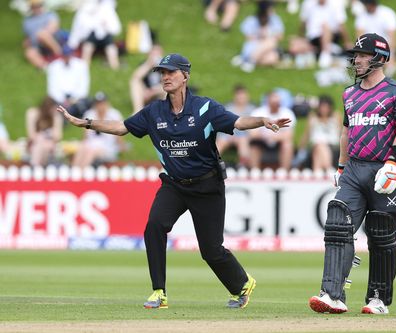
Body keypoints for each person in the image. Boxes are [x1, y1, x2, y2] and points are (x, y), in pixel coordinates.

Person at [57, 53, 291, 309]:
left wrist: (262, 121)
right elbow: (122, 127)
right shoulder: (154, 112)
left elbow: (238, 121)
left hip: (207, 186)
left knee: (211, 250)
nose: (165, 77)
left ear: (185, 76)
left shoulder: (204, 108)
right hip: (174, 185)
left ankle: (242, 284)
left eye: (171, 72)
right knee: (154, 227)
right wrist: (86, 123)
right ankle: (159, 291)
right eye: (162, 73)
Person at [308, 33, 396, 315]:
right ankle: (332, 295)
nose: (356, 60)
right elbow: (346, 133)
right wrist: (341, 167)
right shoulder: (349, 93)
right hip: (354, 168)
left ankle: (378, 299)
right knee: (337, 222)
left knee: (381, 233)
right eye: (355, 55)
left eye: (363, 55)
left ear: (379, 58)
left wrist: (394, 163)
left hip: (384, 169)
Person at [288, 0, 352, 69]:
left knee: (325, 27)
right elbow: (303, 23)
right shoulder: (308, 3)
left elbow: (341, 25)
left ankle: (325, 54)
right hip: (313, 38)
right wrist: (300, 38)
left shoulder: (336, 3)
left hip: (331, 35)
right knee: (293, 44)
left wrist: (347, 42)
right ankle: (326, 50)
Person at [71, 92, 124, 168]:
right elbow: (85, 137)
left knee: (91, 151)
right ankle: (74, 172)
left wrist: (121, 147)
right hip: (91, 144)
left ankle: (80, 175)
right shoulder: (89, 114)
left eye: (102, 103)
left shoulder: (114, 115)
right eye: (98, 103)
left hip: (108, 147)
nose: (100, 106)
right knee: (82, 147)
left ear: (107, 103)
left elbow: (119, 137)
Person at [231, 0, 284, 72]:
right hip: (254, 45)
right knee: (271, 42)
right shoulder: (252, 20)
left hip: (267, 49)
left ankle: (247, 60)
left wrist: (268, 34)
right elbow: (249, 37)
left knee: (272, 57)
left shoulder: (275, 19)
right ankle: (250, 60)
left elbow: (280, 36)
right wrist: (261, 35)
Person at [67, 0, 122, 70]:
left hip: (105, 34)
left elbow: (115, 27)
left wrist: (106, 26)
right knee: (88, 48)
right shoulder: (86, 8)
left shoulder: (107, 7)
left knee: (111, 48)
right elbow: (78, 26)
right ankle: (84, 67)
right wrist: (73, 43)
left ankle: (115, 66)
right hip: (91, 35)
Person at [249, 90, 296, 170]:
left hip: (278, 142)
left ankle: (284, 171)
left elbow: (289, 135)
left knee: (287, 144)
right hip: (262, 141)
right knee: (254, 144)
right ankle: (254, 170)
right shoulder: (258, 112)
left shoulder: (287, 113)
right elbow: (252, 134)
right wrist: (267, 136)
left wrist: (272, 136)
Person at [354, 0, 396, 76]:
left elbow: (393, 36)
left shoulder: (387, 13)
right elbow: (359, 36)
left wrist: (391, 53)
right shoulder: (362, 15)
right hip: (368, 47)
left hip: (384, 47)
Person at [297, 95, 341, 171]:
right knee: (319, 146)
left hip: (332, 145)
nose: (324, 110)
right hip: (316, 144)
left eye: (326, 107)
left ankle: (318, 172)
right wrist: (301, 148)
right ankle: (328, 169)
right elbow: (307, 133)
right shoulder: (313, 117)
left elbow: (341, 133)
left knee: (319, 150)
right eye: (322, 107)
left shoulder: (336, 116)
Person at [216, 84, 255, 167]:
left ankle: (243, 166)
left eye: (243, 95)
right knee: (221, 141)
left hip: (244, 135)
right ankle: (211, 164)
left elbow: (253, 127)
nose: (241, 98)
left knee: (243, 140)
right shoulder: (228, 108)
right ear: (235, 96)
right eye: (239, 95)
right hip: (228, 134)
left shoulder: (252, 109)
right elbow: (222, 125)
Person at [46, 45, 91, 118]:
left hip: (77, 98)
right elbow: (52, 88)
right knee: (50, 104)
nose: (67, 58)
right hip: (60, 99)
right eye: (65, 56)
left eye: (68, 55)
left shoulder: (81, 65)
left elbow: (83, 86)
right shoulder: (53, 66)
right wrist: (63, 100)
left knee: (87, 102)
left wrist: (73, 100)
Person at [22, 0, 63, 70]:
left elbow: (53, 27)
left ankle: (60, 55)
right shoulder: (27, 21)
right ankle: (47, 68)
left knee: (42, 34)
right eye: (34, 6)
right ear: (31, 7)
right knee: (29, 52)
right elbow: (28, 37)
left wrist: (40, 35)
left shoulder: (50, 15)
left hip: (53, 40)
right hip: (38, 45)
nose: (37, 8)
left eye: (38, 6)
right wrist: (27, 42)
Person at [25, 96, 63, 166]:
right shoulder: (33, 113)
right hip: (35, 143)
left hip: (50, 145)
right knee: (40, 144)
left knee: (45, 146)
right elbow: (31, 135)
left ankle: (36, 167)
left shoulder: (55, 116)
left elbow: (58, 136)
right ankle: (38, 167)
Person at [129, 44, 165, 114]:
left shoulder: (166, 66)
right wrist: (149, 64)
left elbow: (166, 83)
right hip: (145, 94)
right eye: (153, 53)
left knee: (168, 87)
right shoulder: (144, 64)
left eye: (158, 53)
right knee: (134, 82)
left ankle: (165, 112)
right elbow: (136, 77)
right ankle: (137, 111)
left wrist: (152, 92)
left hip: (159, 94)